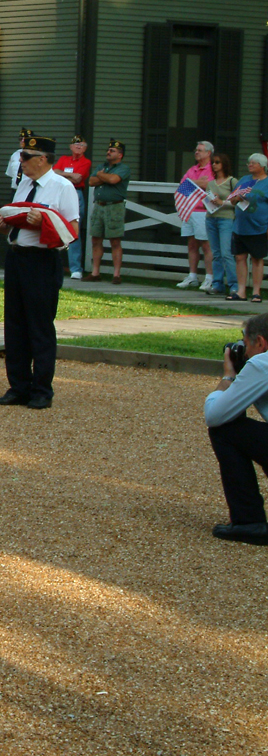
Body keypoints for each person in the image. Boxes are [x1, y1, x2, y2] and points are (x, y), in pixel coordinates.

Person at [0, 135, 80, 410]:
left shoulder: (62, 187)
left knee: (39, 327)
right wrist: (0, 224)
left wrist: (44, 222)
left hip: (42, 262)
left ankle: (41, 389)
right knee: (14, 326)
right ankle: (18, 386)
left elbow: (72, 231)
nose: (21, 161)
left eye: (26, 156)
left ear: (43, 158)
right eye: (20, 155)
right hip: (16, 258)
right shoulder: (24, 184)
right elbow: (15, 224)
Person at [202, 312, 268, 544]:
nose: (244, 351)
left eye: (246, 343)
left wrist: (229, 376)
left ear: (260, 342)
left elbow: (216, 416)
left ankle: (248, 522)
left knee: (224, 431)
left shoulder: (262, 363)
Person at [86, 140, 130, 283]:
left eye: (112, 151)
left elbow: (113, 180)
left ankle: (116, 274)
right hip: (99, 205)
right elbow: (91, 182)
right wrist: (102, 176)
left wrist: (101, 176)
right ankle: (95, 272)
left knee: (115, 240)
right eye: (108, 150)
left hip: (114, 207)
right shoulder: (101, 167)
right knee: (96, 239)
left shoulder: (123, 168)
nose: (108, 152)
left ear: (120, 154)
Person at [229, 154, 268, 303]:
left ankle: (256, 292)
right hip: (240, 226)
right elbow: (232, 201)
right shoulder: (244, 180)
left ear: (262, 166)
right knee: (240, 257)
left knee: (257, 258)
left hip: (259, 226)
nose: (250, 165)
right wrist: (237, 197)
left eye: (253, 163)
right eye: (249, 163)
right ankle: (241, 291)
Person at [178, 141, 216, 290]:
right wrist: (198, 182)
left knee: (206, 245)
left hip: (203, 211)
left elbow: (210, 185)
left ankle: (209, 277)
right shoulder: (192, 169)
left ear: (208, 153)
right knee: (192, 244)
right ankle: (192, 276)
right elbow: (182, 186)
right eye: (196, 150)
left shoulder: (212, 169)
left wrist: (191, 183)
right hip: (190, 210)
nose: (196, 152)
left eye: (200, 150)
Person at [53, 135, 92, 280]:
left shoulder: (86, 162)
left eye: (82, 144)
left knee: (73, 229)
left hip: (76, 193)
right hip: (60, 192)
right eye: (76, 144)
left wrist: (63, 175)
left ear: (85, 148)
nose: (78, 147)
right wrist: (68, 175)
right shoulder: (63, 159)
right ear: (70, 147)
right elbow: (54, 173)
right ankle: (54, 264)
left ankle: (76, 268)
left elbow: (78, 178)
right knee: (55, 226)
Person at [205, 152, 239, 296]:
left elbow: (238, 202)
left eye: (217, 162)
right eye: (213, 162)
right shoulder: (211, 183)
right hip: (211, 218)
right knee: (216, 254)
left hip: (226, 219)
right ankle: (217, 284)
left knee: (226, 253)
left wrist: (221, 202)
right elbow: (207, 200)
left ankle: (234, 285)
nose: (214, 164)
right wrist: (211, 201)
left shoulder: (232, 181)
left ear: (224, 164)